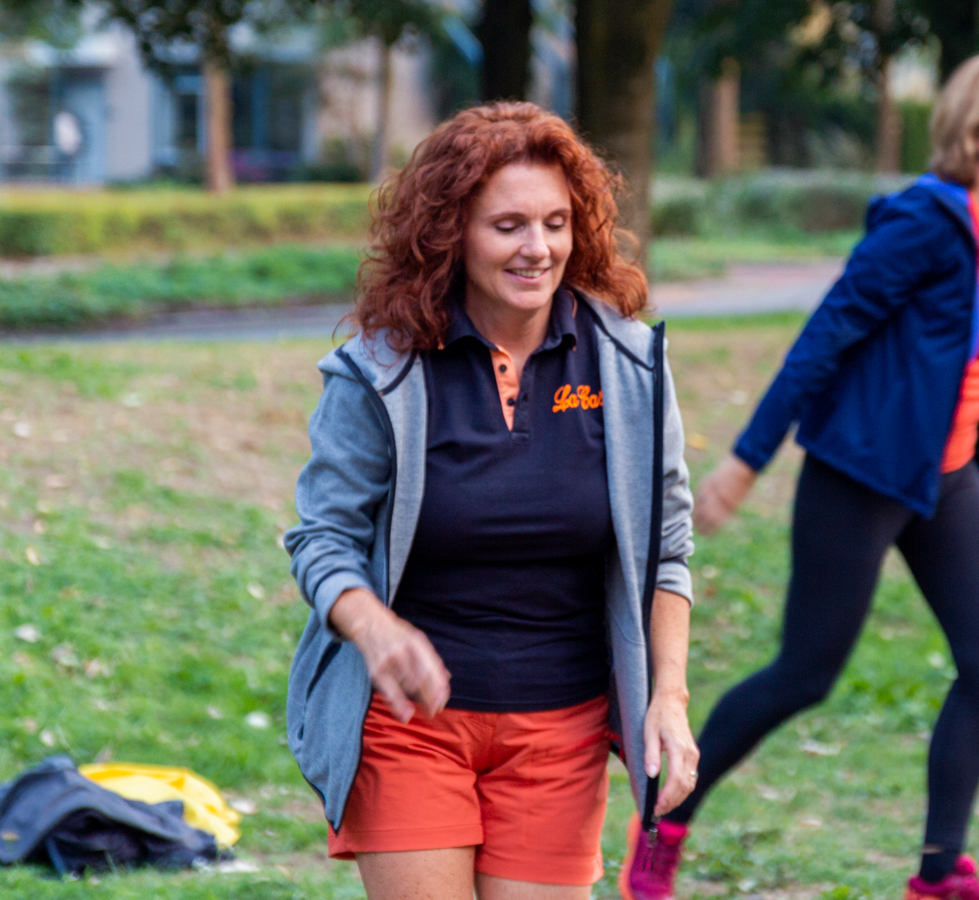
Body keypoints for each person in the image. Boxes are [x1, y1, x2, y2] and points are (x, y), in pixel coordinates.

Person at [618, 53, 979, 900]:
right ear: (977, 129)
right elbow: (829, 332)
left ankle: (939, 872)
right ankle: (665, 818)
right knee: (804, 673)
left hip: (947, 478)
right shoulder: (927, 223)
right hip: (861, 471)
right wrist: (747, 460)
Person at [284, 101, 699, 900]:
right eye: (508, 226)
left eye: (555, 223)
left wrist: (668, 699)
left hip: (562, 731)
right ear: (451, 234)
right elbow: (322, 539)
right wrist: (374, 628)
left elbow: (667, 551)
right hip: (409, 725)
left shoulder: (630, 368)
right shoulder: (383, 371)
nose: (537, 248)